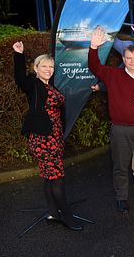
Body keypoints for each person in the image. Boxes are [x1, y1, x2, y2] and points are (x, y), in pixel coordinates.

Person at [88, 28, 134, 213]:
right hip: (121, 129)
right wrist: (93, 47)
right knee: (121, 165)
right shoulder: (114, 75)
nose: (132, 61)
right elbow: (95, 67)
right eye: (128, 58)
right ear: (124, 59)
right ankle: (121, 197)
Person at [12, 42, 82, 231]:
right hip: (43, 139)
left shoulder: (50, 85)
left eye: (51, 66)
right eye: (44, 66)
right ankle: (66, 216)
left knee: (49, 176)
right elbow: (19, 79)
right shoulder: (34, 84)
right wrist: (19, 54)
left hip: (55, 137)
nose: (48, 69)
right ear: (36, 68)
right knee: (57, 176)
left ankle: (52, 212)